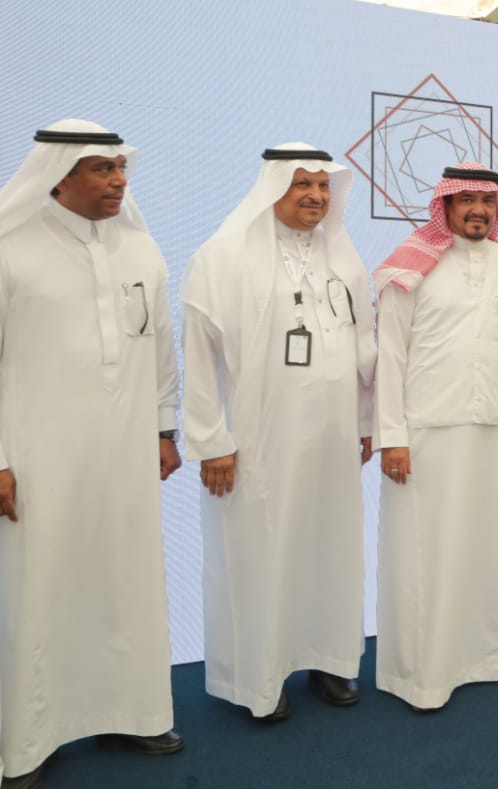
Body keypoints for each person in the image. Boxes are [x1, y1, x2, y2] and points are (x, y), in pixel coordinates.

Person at [0, 120, 183, 789]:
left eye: (121, 167)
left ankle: (132, 713)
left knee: (126, 577)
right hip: (39, 453)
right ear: (60, 174)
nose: (119, 180)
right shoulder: (11, 248)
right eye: (103, 169)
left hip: (126, 448)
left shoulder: (141, 248)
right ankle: (31, 737)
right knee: (42, 584)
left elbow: (160, 347)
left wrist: (164, 429)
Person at [182, 144, 375, 721]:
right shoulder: (224, 256)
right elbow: (199, 353)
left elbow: (364, 350)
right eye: (301, 184)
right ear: (272, 188)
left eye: (323, 186)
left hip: (333, 437)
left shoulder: (343, 258)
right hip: (259, 437)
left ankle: (329, 658)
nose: (316, 196)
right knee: (261, 549)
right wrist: (212, 440)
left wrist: (367, 422)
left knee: (330, 546)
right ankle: (259, 677)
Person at [373, 163, 498, 710]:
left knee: (495, 546)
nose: (478, 210)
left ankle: (496, 653)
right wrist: (391, 435)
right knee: (428, 553)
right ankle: (424, 671)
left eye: (487, 201)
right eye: (466, 200)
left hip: (495, 426)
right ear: (444, 206)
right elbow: (390, 354)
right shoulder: (410, 265)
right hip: (427, 431)